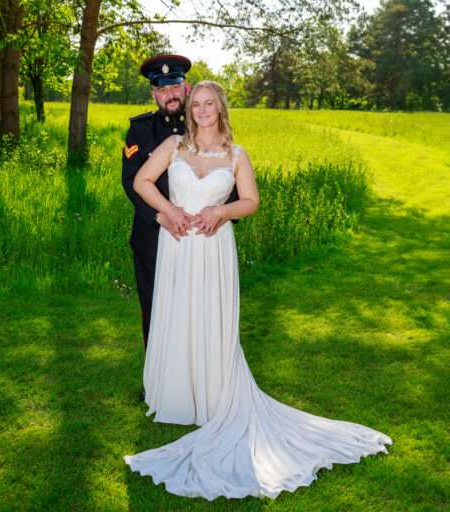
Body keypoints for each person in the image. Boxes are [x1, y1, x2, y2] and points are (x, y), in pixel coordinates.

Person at [123, 80, 392, 500]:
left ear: (221, 109)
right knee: (176, 315)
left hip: (213, 248)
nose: (203, 110)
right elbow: (141, 182)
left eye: (210, 104)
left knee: (210, 320)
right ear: (190, 109)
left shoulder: (236, 155)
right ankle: (175, 396)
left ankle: (213, 398)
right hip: (178, 247)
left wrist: (221, 211)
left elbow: (251, 201)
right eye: (197, 104)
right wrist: (169, 211)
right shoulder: (172, 146)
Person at [121, 55, 238, 353]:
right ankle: (156, 376)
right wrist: (160, 216)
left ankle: (198, 373)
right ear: (153, 93)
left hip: (201, 237)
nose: (169, 94)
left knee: (200, 308)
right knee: (154, 304)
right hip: (153, 235)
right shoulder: (140, 131)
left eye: (174, 86)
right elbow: (131, 181)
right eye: (162, 89)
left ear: (185, 88)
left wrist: (221, 217)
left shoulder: (204, 122)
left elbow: (230, 181)